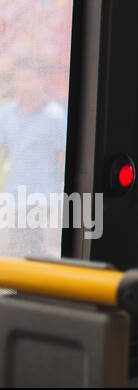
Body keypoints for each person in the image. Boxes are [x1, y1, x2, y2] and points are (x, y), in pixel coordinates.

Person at [0, 56, 68, 258]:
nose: (22, 85)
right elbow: (2, 153)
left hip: (42, 196)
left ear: (41, 81)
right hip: (14, 194)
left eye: (28, 79)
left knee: (26, 245)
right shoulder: (7, 114)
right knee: (22, 248)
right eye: (19, 79)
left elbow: (62, 157)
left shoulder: (55, 116)